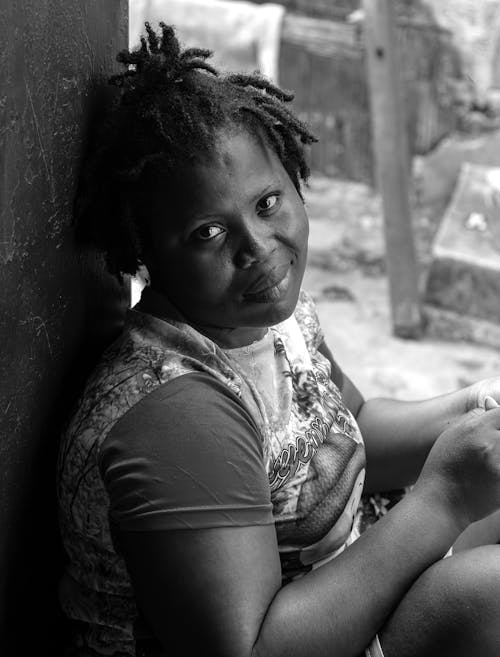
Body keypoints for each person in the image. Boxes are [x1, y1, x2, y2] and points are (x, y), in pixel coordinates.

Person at [57, 22, 500, 657]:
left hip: (346, 590)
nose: (257, 249)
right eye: (208, 232)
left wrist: (468, 409)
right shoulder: (176, 415)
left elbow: (352, 425)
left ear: (295, 182)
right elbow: (255, 648)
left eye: (267, 204)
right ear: (146, 253)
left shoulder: (268, 320)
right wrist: (445, 498)